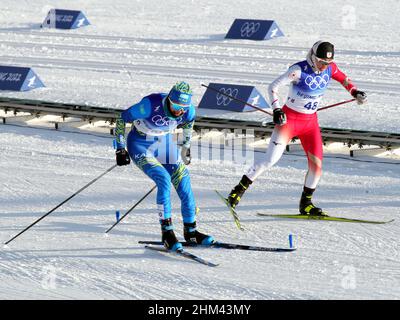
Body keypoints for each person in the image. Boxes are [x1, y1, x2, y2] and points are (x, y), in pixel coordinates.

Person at [227, 41, 367, 215]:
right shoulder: (298, 70)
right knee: (270, 160)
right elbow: (273, 87)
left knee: (317, 166)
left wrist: (355, 92)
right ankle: (237, 191)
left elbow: (344, 79)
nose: (324, 66)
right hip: (289, 122)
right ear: (313, 56)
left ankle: (306, 204)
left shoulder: (330, 68)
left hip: (310, 124)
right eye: (321, 61)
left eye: (328, 63)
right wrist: (277, 109)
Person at [114, 81, 214, 251]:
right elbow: (121, 119)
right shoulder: (149, 105)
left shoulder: (188, 111)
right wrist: (120, 148)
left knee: (183, 178)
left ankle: (191, 230)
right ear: (169, 99)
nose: (179, 111)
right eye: (175, 105)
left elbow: (188, 126)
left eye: (183, 107)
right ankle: (167, 232)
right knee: (164, 179)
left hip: (164, 144)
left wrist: (186, 147)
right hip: (140, 144)